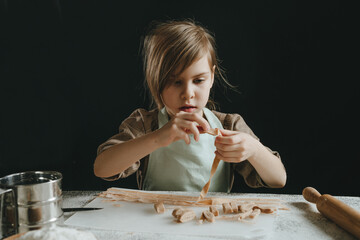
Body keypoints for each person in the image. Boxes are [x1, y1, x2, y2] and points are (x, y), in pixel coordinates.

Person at [93, 19, 286, 192]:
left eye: (198, 80)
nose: (188, 93)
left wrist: (254, 149)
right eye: (176, 82)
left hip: (213, 224)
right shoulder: (145, 124)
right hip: (156, 225)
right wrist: (158, 138)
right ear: (156, 81)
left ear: (211, 77)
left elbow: (279, 179)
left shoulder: (229, 125)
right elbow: (102, 168)